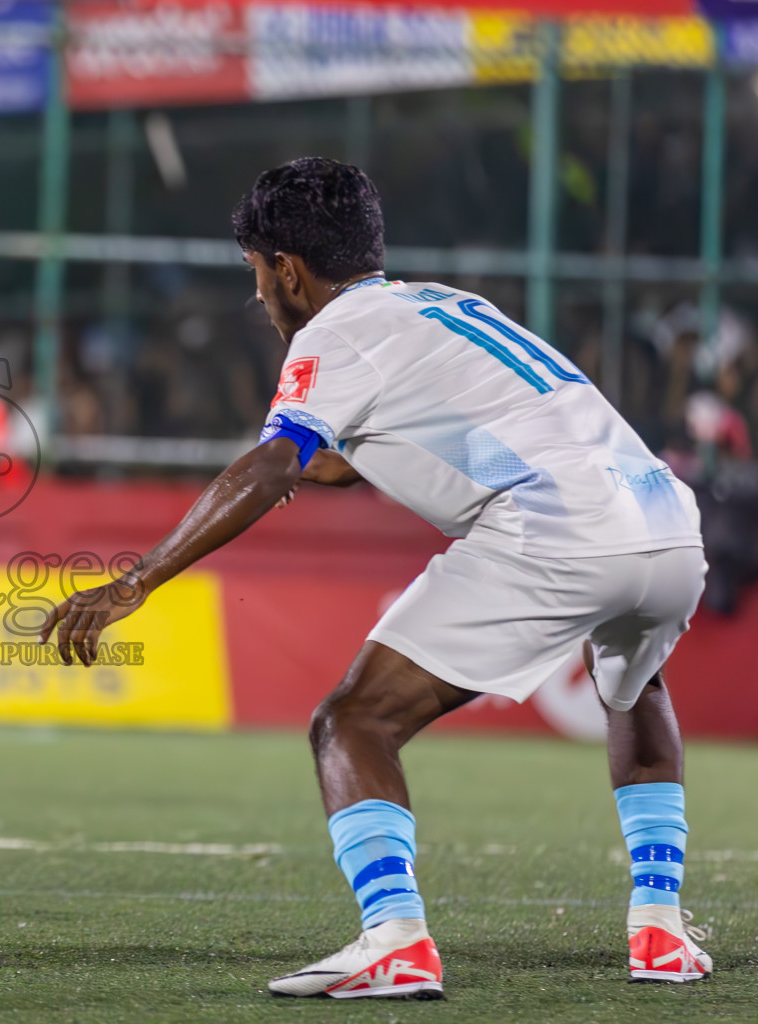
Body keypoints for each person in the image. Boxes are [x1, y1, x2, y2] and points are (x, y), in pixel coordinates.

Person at [40, 157, 711, 998]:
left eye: (257, 274)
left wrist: (137, 580)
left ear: (286, 268)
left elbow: (276, 461)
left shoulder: (332, 332)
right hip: (665, 525)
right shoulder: (444, 305)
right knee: (635, 686)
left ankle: (394, 937)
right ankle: (660, 931)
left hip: (558, 530)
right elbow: (450, 438)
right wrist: (335, 465)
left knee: (352, 723)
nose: (258, 297)